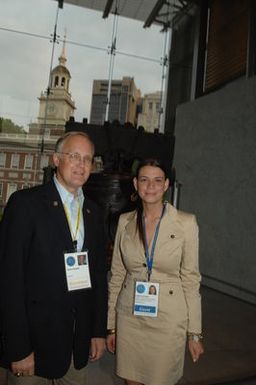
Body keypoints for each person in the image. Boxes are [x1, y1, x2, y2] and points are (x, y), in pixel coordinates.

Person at [0, 132, 108, 385]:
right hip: (32, 348)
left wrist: (97, 332)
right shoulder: (25, 204)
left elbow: (98, 279)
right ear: (55, 160)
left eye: (87, 159)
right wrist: (18, 347)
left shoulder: (94, 212)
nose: (81, 164)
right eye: (74, 156)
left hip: (76, 347)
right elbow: (9, 279)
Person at [107, 159, 204, 385]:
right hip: (130, 316)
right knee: (131, 380)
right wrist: (111, 325)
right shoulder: (125, 221)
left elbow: (191, 280)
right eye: (144, 180)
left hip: (168, 320)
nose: (151, 186)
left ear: (166, 184)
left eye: (157, 180)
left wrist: (194, 333)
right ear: (135, 184)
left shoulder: (185, 223)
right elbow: (117, 275)